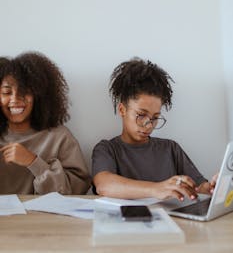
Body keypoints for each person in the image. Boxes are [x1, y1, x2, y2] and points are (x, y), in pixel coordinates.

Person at [92, 58, 215, 201]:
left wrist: (213, 188)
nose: (149, 125)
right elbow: (104, 185)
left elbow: (199, 188)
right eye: (141, 115)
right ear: (122, 110)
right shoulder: (107, 149)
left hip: (174, 221)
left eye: (155, 117)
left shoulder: (170, 148)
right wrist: (157, 189)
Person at [0, 52, 91, 195]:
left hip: (44, 217)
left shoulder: (59, 137)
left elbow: (78, 190)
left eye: (24, 91)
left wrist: (33, 162)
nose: (15, 99)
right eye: (6, 92)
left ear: (39, 95)